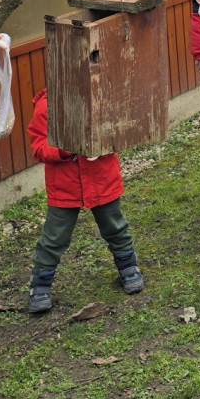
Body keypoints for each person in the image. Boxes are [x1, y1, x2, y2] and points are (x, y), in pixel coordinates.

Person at [26, 89, 143, 314]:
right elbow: (39, 148)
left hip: (102, 179)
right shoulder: (47, 107)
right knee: (54, 236)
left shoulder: (103, 96)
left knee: (115, 226)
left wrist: (104, 145)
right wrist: (65, 148)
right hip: (64, 185)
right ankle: (40, 285)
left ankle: (128, 266)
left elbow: (121, 128)